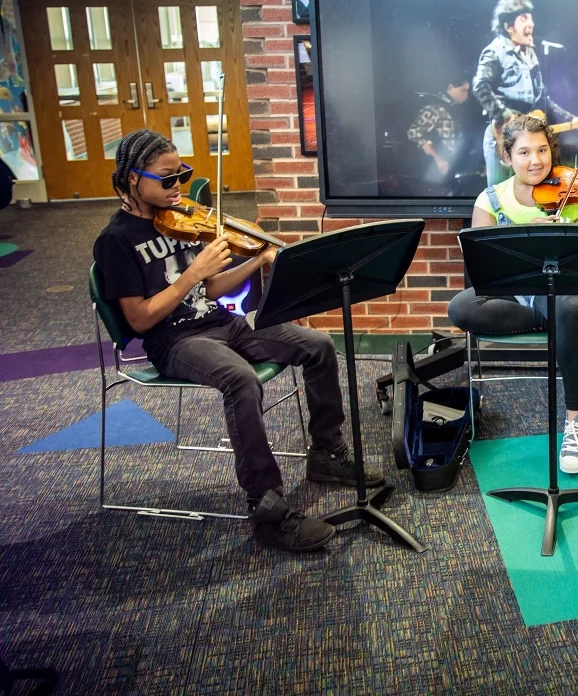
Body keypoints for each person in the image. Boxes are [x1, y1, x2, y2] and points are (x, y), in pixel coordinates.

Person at [92, 129, 383, 553]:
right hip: (174, 340)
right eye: (167, 179)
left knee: (317, 346)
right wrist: (192, 275)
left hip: (222, 323)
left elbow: (209, 290)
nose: (178, 186)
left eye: (182, 175)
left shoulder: (176, 219)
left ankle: (326, 453)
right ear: (133, 179)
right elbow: (138, 319)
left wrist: (256, 260)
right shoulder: (116, 240)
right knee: (240, 379)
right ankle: (268, 510)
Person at [447, 114, 578, 474]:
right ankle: (569, 322)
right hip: (511, 294)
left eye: (542, 150)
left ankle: (575, 422)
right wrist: (527, 236)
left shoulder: (570, 195)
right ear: (507, 156)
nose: (535, 160)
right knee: (461, 307)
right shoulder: (490, 199)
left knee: (567, 303)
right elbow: (483, 267)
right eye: (524, 152)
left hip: (558, 291)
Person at [472, 0, 576, 187]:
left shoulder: (530, 53)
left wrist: (571, 119)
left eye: (530, 18)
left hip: (529, 138)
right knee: (501, 195)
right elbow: (480, 86)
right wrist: (507, 116)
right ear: (508, 26)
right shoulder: (495, 52)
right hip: (502, 136)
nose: (531, 24)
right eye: (524, 19)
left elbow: (542, 96)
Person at [407, 79, 471, 188]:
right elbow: (413, 131)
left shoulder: (453, 110)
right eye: (463, 90)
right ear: (450, 87)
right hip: (433, 174)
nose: (466, 95)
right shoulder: (436, 108)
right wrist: (438, 158)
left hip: (448, 170)